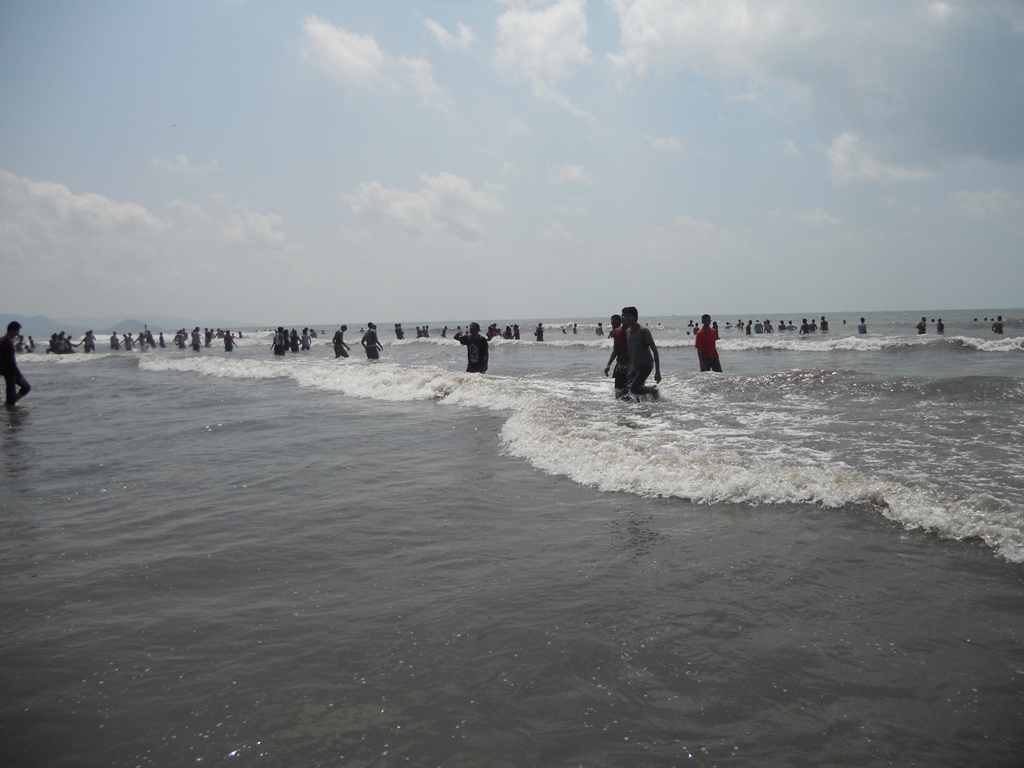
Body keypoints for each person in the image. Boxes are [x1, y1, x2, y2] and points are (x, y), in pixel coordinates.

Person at [622, 306, 661, 400]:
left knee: (634, 388)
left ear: (635, 317)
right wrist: (631, 369)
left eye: (628, 316)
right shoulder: (627, 332)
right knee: (637, 391)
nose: (626, 318)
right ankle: (645, 409)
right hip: (636, 366)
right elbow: (631, 353)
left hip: (646, 364)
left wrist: (657, 372)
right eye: (624, 316)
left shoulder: (643, 331)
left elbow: (655, 351)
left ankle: (653, 390)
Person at [2, 321, 31, 409]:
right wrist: (19, 375)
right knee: (26, 387)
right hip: (10, 371)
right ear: (11, 330)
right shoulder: (6, 342)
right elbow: (11, 361)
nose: (17, 333)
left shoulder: (3, 340)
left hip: (7, 370)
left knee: (16, 392)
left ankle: (9, 407)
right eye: (17, 331)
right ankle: (10, 410)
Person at [602, 314, 629, 399]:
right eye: (611, 320)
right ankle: (619, 409)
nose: (612, 322)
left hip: (631, 365)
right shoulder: (615, 332)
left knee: (630, 390)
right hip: (620, 364)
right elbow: (616, 349)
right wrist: (608, 364)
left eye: (614, 320)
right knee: (618, 390)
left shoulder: (631, 331)